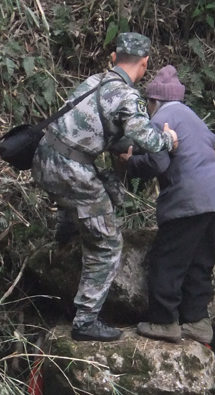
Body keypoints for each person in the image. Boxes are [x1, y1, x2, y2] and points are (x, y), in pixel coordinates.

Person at [32, 32, 179, 342]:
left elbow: (85, 126)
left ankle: (66, 228)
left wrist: (117, 144)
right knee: (108, 243)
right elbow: (150, 141)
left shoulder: (93, 82)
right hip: (70, 170)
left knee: (104, 185)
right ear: (144, 63)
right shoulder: (127, 95)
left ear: (114, 57)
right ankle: (86, 320)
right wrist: (170, 139)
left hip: (45, 160)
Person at [118, 65, 215, 344]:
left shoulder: (161, 118)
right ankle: (198, 321)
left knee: (167, 260)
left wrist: (130, 163)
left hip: (189, 200)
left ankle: (164, 321)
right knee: (200, 261)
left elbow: (158, 162)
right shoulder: (191, 115)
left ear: (153, 101)